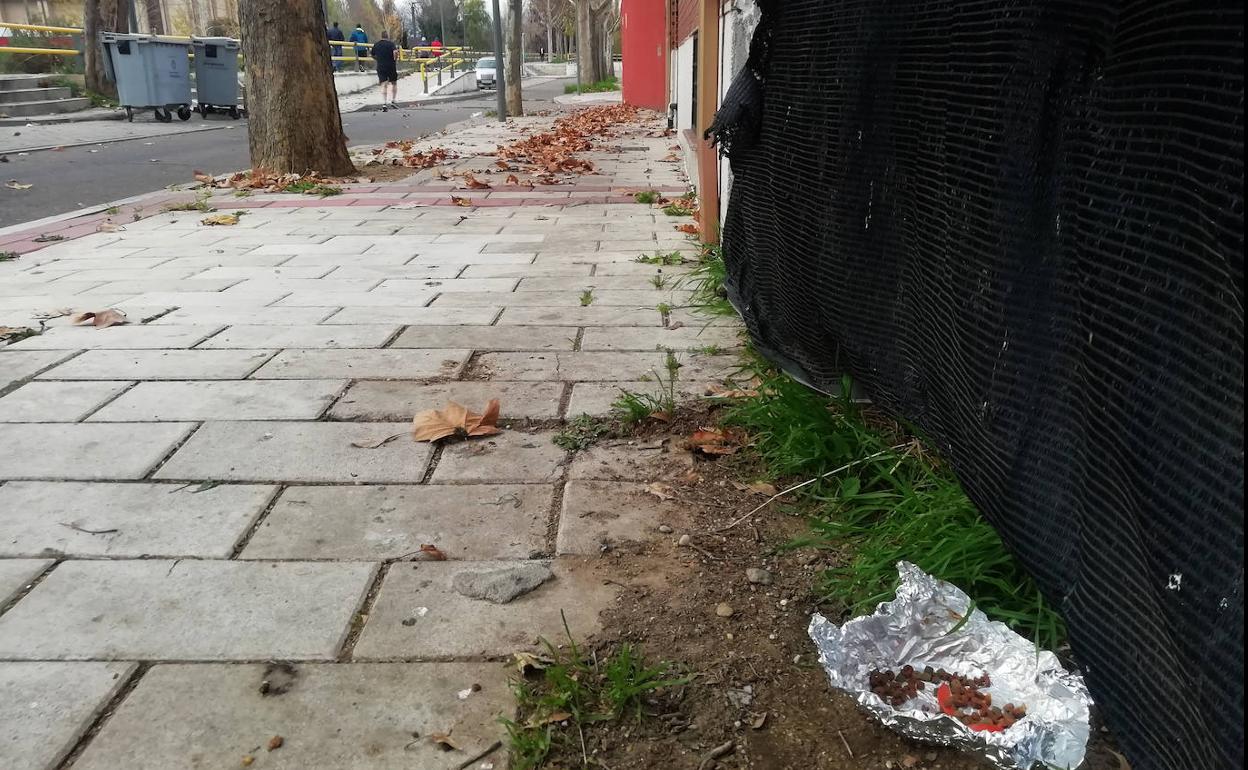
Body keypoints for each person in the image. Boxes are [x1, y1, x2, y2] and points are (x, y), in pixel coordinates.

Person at [372, 31, 399, 111]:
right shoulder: (391, 44)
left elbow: (372, 54)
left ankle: (384, 103)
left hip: (380, 66)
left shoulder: (376, 44)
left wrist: (377, 59)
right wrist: (395, 59)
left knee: (383, 84)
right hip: (391, 65)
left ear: (381, 36)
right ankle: (393, 100)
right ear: (387, 36)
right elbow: (395, 52)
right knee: (394, 83)